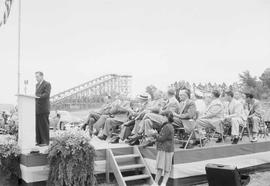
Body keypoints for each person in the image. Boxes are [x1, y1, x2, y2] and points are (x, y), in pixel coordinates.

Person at [150, 111, 175, 186]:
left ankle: (156, 183)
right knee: (167, 168)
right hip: (169, 149)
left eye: (162, 116)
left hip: (164, 149)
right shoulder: (169, 126)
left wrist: (154, 134)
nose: (161, 118)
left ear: (166, 118)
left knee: (160, 167)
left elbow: (161, 139)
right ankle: (163, 184)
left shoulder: (166, 126)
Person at [35, 71, 51, 146]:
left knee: (44, 125)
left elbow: (46, 94)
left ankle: (45, 142)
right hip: (37, 109)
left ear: (42, 76)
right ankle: (39, 141)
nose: (36, 78)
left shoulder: (47, 84)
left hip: (44, 109)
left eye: (37, 76)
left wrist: (37, 96)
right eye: (36, 77)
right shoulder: (37, 85)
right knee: (38, 126)